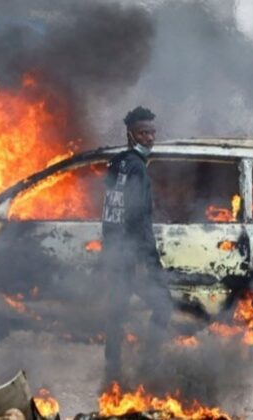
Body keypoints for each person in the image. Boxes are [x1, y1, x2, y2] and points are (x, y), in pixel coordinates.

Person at [101, 106, 172, 382]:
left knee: (117, 308)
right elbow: (138, 218)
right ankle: (150, 363)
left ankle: (113, 365)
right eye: (143, 133)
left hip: (115, 252)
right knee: (163, 305)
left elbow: (110, 210)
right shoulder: (138, 169)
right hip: (132, 255)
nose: (150, 138)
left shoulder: (116, 164)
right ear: (130, 135)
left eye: (152, 132)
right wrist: (148, 261)